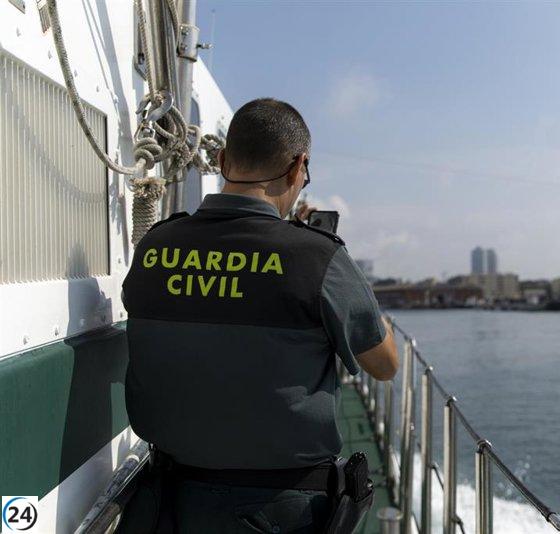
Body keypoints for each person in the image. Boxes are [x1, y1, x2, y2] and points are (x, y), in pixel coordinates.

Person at [119, 98, 399, 533]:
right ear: (298, 168)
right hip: (281, 509)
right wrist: (346, 285)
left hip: (168, 503)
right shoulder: (317, 257)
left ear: (222, 159)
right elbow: (384, 365)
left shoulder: (155, 245)